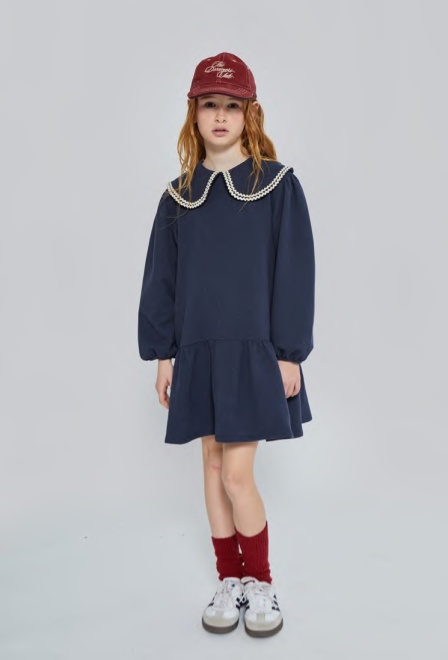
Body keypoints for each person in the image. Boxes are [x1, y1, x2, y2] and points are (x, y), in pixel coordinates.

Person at [137, 52, 315, 637]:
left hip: (253, 352)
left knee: (238, 474)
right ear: (194, 113)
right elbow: (161, 280)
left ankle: (260, 581)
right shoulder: (178, 196)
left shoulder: (277, 186)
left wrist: (288, 352)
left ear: (249, 113)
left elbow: (294, 273)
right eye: (210, 104)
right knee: (212, 467)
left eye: (231, 106)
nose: (220, 116)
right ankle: (228, 578)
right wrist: (163, 355)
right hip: (199, 351)